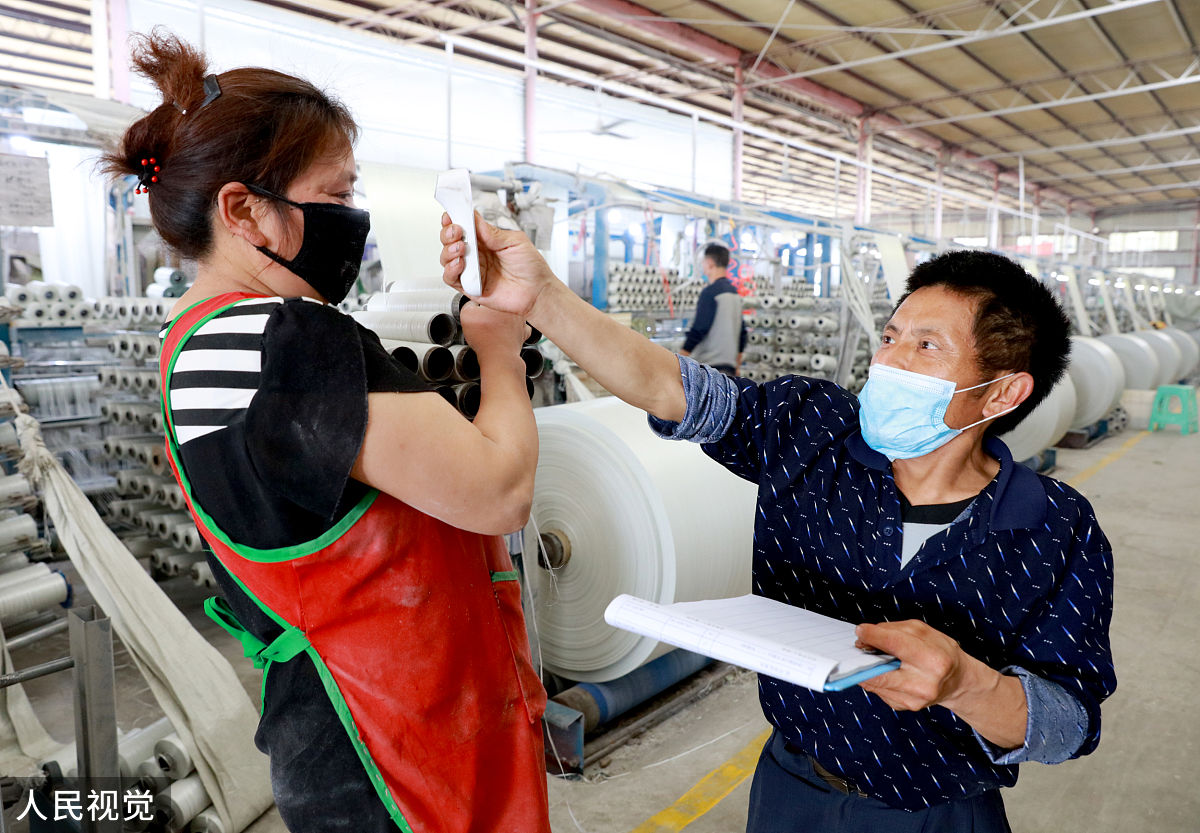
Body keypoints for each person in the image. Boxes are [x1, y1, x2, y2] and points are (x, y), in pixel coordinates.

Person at [440, 217, 1116, 832]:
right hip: (791, 790)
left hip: (936, 812)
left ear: (1001, 392)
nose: (889, 360)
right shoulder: (811, 430)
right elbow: (668, 385)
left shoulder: (1054, 529)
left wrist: (965, 682)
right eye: (890, 336)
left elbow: (1069, 721)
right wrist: (542, 297)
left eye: (926, 345)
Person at [103, 31, 550, 833]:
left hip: (322, 740)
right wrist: (498, 349)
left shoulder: (191, 346)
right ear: (243, 210)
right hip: (402, 760)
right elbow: (500, 490)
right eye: (336, 193)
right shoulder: (294, 341)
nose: (351, 216)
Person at [680, 243, 747, 376]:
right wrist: (737, 365)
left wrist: (680, 358)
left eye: (703, 262)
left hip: (709, 368)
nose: (702, 265)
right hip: (729, 368)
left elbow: (699, 329)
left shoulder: (710, 293)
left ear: (710, 263)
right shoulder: (735, 293)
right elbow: (742, 333)